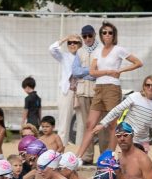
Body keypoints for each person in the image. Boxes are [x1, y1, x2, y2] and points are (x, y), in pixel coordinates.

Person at [76, 21, 143, 159]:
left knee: (113, 124)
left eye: (110, 32)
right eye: (104, 32)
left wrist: (121, 70)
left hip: (112, 88)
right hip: (99, 88)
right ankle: (77, 157)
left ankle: (109, 157)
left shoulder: (118, 49)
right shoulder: (97, 50)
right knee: (90, 123)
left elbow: (138, 63)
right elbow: (92, 72)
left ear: (114, 35)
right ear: (100, 35)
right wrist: (107, 71)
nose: (107, 35)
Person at [93, 75, 152, 153]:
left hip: (144, 140)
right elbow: (116, 110)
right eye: (147, 85)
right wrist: (103, 124)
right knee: (124, 163)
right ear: (144, 86)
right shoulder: (135, 96)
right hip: (127, 137)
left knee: (142, 164)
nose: (150, 87)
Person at [71, 25, 101, 163]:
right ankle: (88, 157)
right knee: (86, 125)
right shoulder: (80, 51)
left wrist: (86, 72)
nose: (87, 38)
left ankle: (103, 156)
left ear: (94, 35)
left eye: (90, 35)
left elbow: (102, 70)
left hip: (98, 91)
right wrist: (91, 72)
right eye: (85, 36)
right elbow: (75, 71)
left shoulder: (102, 50)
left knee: (102, 125)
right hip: (83, 92)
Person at [49, 35, 80, 144]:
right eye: (70, 42)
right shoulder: (64, 56)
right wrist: (64, 39)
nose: (72, 44)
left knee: (82, 122)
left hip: (82, 91)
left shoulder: (85, 56)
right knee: (64, 122)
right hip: (67, 91)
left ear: (80, 44)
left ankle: (80, 151)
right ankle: (61, 148)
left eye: (75, 42)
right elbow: (52, 49)